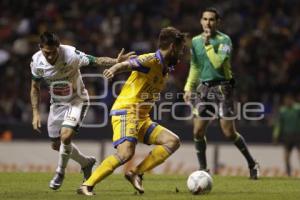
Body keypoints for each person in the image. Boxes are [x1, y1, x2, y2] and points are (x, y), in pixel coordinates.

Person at [77, 27, 185, 196]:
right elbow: (128, 64)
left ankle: (136, 173)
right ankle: (87, 185)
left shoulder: (164, 69)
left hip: (141, 117)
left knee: (173, 141)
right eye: (180, 49)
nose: (181, 54)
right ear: (172, 47)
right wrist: (114, 69)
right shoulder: (151, 60)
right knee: (125, 153)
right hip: (126, 111)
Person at [30, 31, 134, 190]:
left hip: (77, 100)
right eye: (46, 53)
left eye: (53, 52)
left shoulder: (71, 55)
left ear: (58, 47)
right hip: (57, 104)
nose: (50, 57)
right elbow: (35, 88)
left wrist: (115, 61)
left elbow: (96, 60)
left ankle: (60, 172)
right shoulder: (37, 61)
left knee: (66, 136)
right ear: (40, 48)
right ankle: (86, 163)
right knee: (56, 145)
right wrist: (36, 113)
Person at [183, 8, 259, 179]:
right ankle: (203, 169)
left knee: (228, 133)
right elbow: (195, 66)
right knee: (197, 131)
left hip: (223, 88)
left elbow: (217, 64)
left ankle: (252, 163)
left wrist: (208, 43)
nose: (207, 22)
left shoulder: (225, 40)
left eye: (211, 19)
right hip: (204, 89)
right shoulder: (195, 41)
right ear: (201, 21)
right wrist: (189, 87)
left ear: (218, 22)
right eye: (205, 19)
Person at [273, 94, 300, 176]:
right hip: (287, 136)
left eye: (289, 100)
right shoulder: (283, 111)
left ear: (292, 100)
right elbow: (279, 125)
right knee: (286, 156)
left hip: (298, 135)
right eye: (286, 100)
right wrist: (276, 136)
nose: (288, 102)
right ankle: (288, 173)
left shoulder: (298, 109)